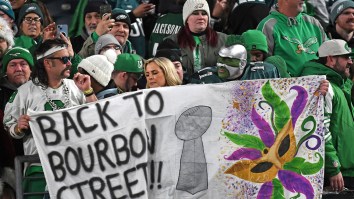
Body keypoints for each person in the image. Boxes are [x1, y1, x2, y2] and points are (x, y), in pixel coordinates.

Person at [3, 38, 96, 198]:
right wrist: (18, 128)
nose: (69, 63)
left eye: (69, 59)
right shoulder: (25, 92)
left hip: (75, 167)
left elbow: (97, 119)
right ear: (48, 63)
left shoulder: (76, 87)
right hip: (38, 167)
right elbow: (8, 126)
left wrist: (88, 91)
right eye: (64, 59)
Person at [301, 39, 354, 192]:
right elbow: (320, 128)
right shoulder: (324, 86)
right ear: (330, 59)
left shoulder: (339, 86)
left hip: (346, 172)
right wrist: (333, 167)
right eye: (346, 57)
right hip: (337, 175)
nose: (350, 61)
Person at [257, 0, 327, 77]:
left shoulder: (313, 22)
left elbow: (330, 57)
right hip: (285, 87)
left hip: (320, 85)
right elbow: (262, 69)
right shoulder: (268, 26)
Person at [0, 47, 33, 199]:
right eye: (13, 64)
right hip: (7, 165)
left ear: (31, 69)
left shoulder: (42, 90)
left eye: (23, 64)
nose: (19, 68)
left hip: (36, 163)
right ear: (5, 70)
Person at [167, 0, 227, 78]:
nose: (201, 17)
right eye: (195, 13)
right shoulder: (170, 42)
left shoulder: (224, 39)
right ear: (186, 18)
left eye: (204, 13)